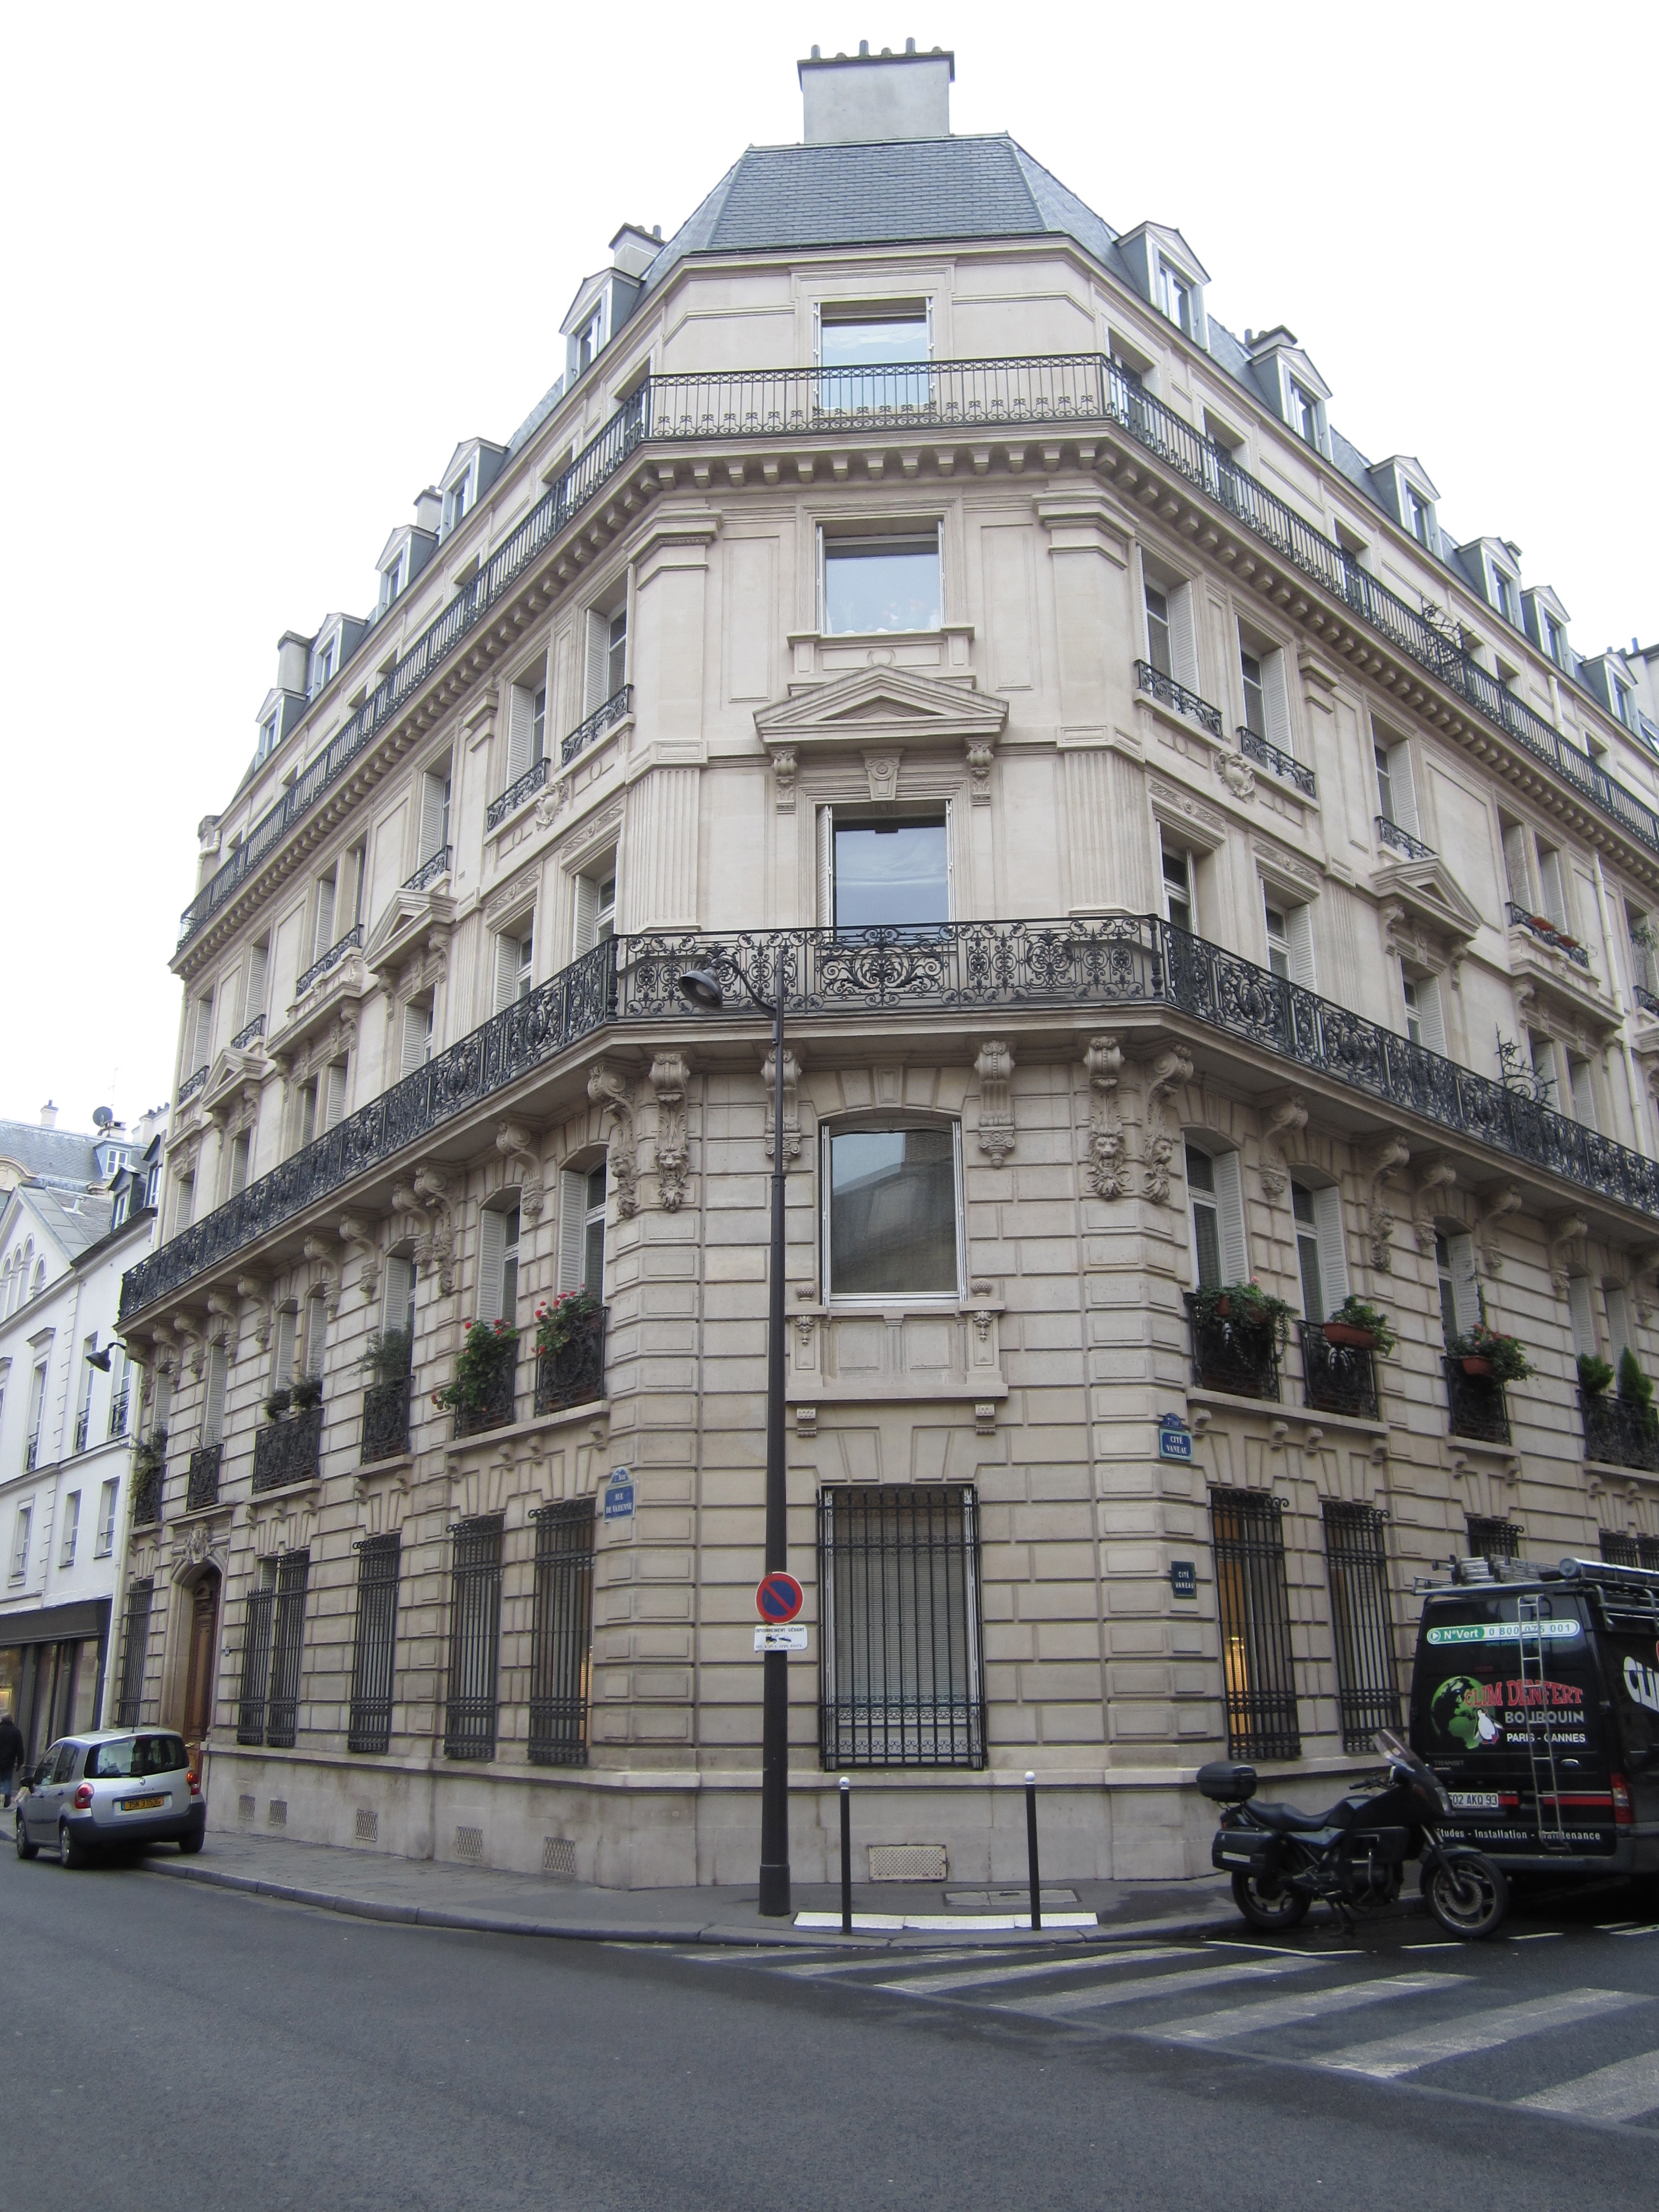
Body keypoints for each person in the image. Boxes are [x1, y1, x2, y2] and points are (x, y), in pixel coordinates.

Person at [0, 1710, 24, 1809]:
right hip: (9, 1761)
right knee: (7, 1779)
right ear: (11, 1720)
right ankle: (7, 1797)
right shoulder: (15, 1731)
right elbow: (20, 1748)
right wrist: (20, 1762)